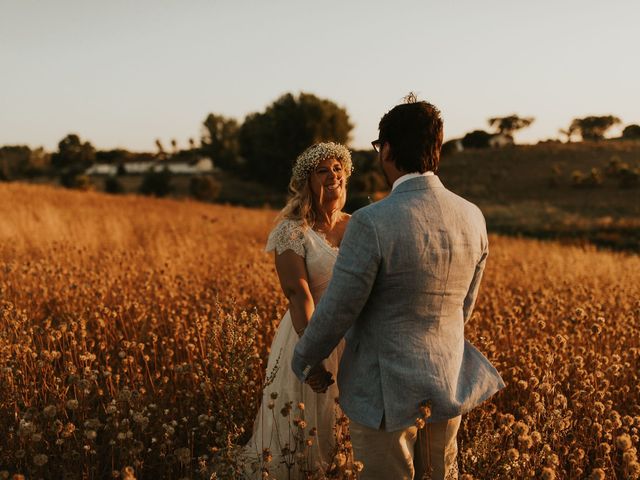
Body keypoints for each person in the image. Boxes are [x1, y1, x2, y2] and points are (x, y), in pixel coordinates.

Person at [291, 96, 505, 480]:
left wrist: (304, 358)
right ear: (434, 148)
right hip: (446, 383)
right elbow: (464, 308)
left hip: (383, 398)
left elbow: (340, 308)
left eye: (378, 148)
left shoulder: (372, 222)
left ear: (387, 149)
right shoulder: (473, 216)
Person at [244, 142, 353, 478]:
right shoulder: (292, 230)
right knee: (303, 431)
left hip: (354, 338)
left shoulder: (359, 226)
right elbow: (297, 293)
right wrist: (313, 352)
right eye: (323, 170)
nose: (333, 175)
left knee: (348, 432)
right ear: (307, 182)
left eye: (338, 169)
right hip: (309, 332)